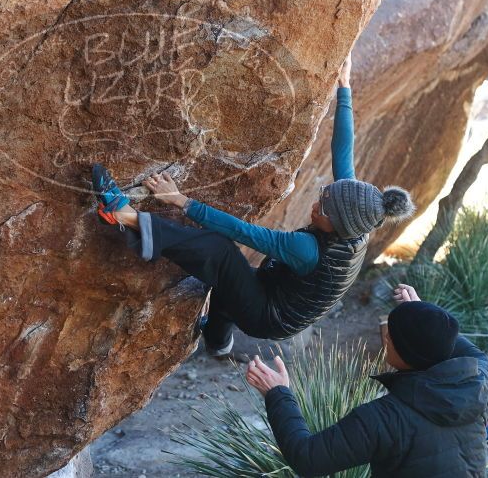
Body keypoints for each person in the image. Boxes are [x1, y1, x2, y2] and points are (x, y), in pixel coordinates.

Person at [92, 54, 415, 354]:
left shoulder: (308, 248)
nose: (317, 206)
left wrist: (179, 200)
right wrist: (345, 88)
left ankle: (125, 216)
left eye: (324, 211)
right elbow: (343, 153)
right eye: (323, 196)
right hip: (279, 298)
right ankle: (218, 342)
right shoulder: (361, 215)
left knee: (220, 254)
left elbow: (242, 232)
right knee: (232, 280)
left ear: (339, 224)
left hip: (269, 318)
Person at [246, 284, 488, 477]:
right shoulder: (480, 381)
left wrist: (277, 392)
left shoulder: (383, 418)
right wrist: (424, 316)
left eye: (391, 337)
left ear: (405, 354)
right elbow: (465, 350)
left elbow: (307, 458)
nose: (385, 337)